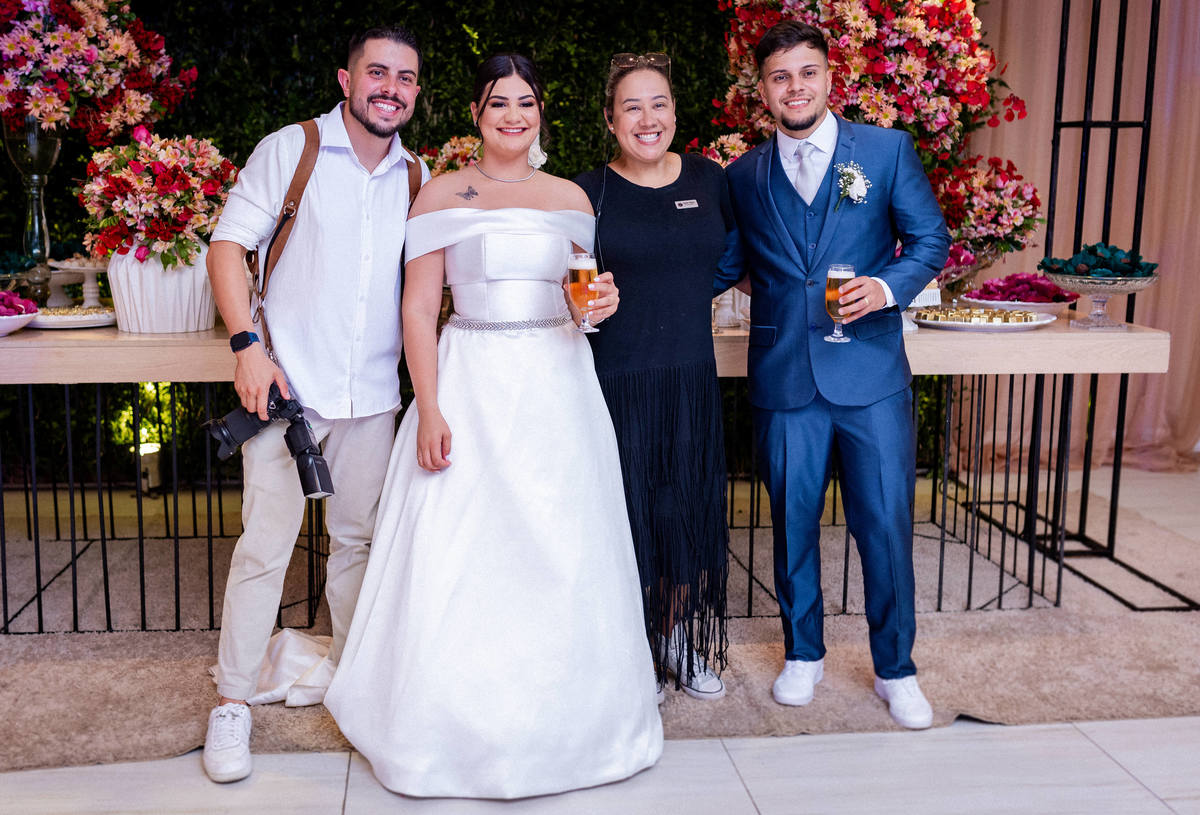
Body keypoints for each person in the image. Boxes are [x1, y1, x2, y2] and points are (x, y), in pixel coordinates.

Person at [323, 53, 663, 799]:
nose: (514, 115)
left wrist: (596, 306)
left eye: (526, 102)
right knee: (463, 544)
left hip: (557, 380)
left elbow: (582, 296)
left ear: (541, 114)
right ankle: (445, 722)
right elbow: (419, 308)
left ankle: (578, 720)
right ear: (476, 113)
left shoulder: (570, 196)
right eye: (499, 102)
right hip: (469, 377)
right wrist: (429, 406)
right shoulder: (441, 193)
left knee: (563, 540)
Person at [200, 26, 430, 783]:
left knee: (359, 547)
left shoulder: (416, 176)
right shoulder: (292, 149)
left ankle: (358, 695)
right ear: (346, 79)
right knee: (263, 550)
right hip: (285, 395)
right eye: (377, 72)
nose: (390, 87)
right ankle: (232, 702)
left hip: (374, 401)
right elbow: (227, 247)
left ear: (416, 92)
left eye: (405, 77)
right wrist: (246, 347)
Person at [718, 21, 950, 729]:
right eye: (780, 76)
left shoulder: (884, 151)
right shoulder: (743, 175)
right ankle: (803, 653)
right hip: (785, 374)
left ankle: (896, 668)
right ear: (762, 90)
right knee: (790, 524)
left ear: (829, 76)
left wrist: (885, 287)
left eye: (807, 72)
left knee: (885, 525)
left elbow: (930, 240)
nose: (796, 87)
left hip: (871, 375)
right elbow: (728, 265)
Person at [573, 53, 732, 702]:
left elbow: (736, 258)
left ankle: (672, 635)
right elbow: (567, 282)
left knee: (683, 515)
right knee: (623, 518)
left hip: (691, 379)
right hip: (614, 383)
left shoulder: (710, 179)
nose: (647, 118)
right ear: (611, 120)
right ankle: (628, 651)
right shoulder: (586, 192)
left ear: (674, 111)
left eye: (658, 103)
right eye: (631, 106)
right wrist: (582, 305)